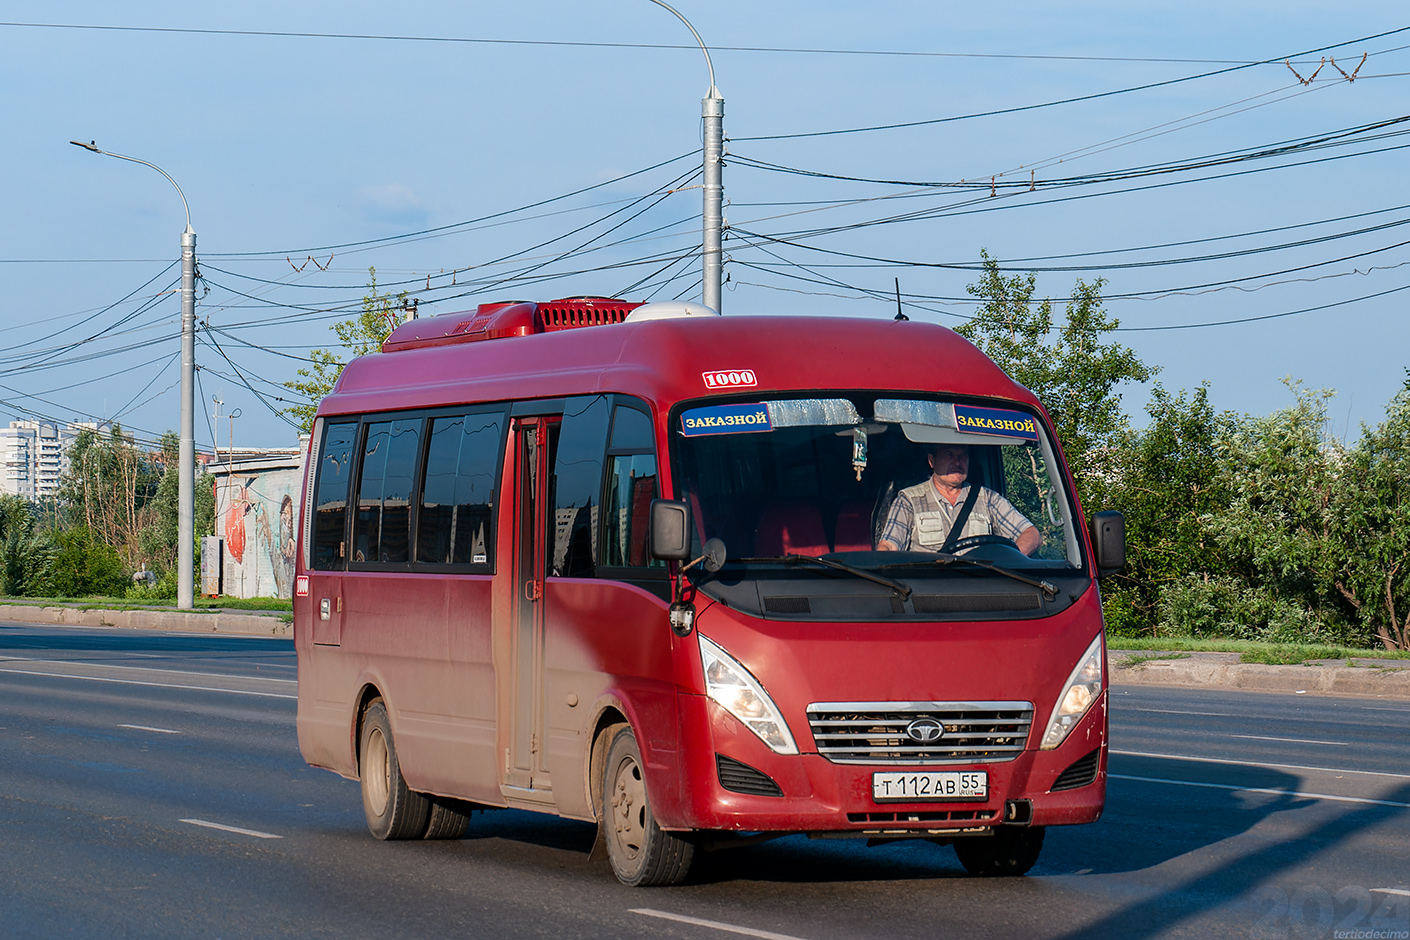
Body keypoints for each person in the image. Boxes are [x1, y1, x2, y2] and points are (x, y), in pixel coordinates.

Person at [877, 443, 1041, 555]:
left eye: (964, 455)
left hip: (981, 591)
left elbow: (1031, 534)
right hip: (927, 592)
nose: (958, 461)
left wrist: (1008, 566)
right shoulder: (909, 500)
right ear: (931, 461)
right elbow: (889, 547)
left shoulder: (987, 499)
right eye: (949, 454)